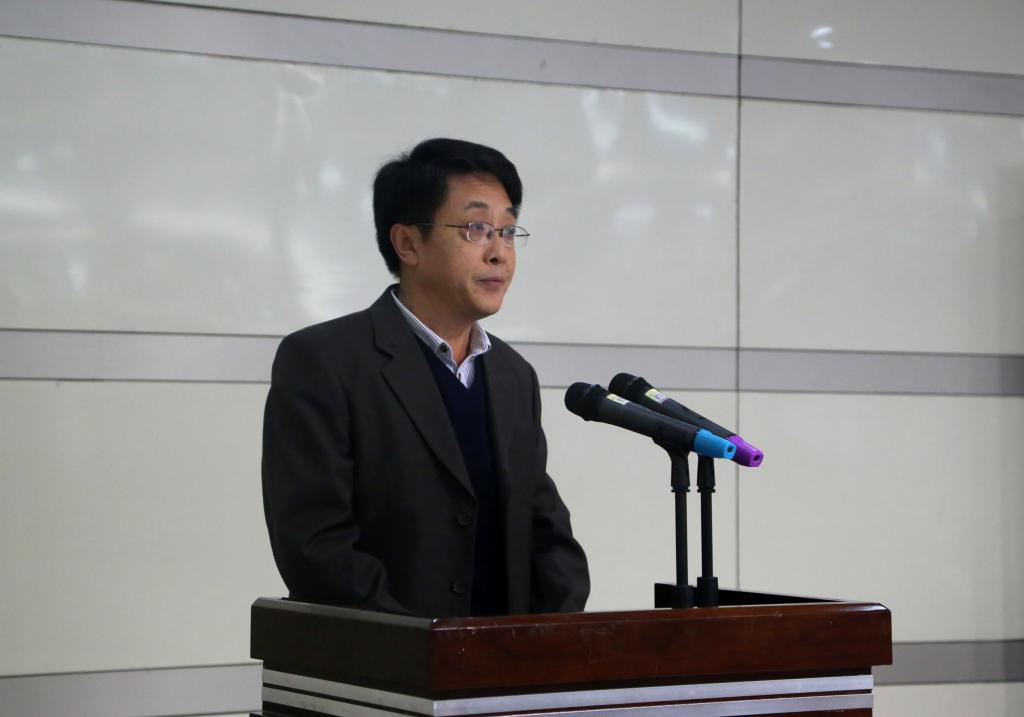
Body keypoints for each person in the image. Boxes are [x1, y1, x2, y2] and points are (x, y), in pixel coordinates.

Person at [261, 138, 589, 617]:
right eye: (477, 229)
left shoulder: (513, 376)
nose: (499, 252)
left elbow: (545, 531)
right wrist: (420, 646)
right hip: (386, 657)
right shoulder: (324, 361)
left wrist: (547, 638)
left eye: (507, 231)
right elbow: (315, 546)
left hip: (505, 658)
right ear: (408, 243)